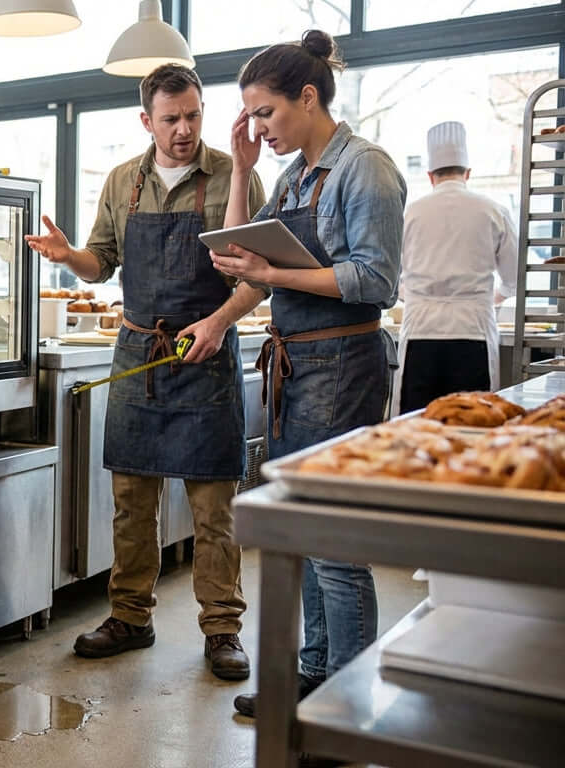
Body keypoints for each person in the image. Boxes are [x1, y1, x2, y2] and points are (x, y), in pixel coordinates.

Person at [26, 63, 268, 681]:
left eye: (192, 115)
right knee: (131, 504)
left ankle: (221, 630)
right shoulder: (121, 181)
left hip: (205, 355)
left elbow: (255, 280)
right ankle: (130, 616)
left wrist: (216, 324)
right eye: (170, 119)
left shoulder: (235, 177)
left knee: (215, 505)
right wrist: (66, 256)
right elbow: (99, 264)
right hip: (138, 356)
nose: (184, 130)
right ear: (146, 121)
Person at [212, 31, 406, 728]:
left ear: (308, 96)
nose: (258, 128)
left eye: (264, 114)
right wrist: (239, 171)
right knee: (303, 533)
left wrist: (274, 275)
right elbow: (234, 257)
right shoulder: (295, 177)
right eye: (250, 119)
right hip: (297, 367)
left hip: (343, 364)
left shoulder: (366, 169)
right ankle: (317, 672)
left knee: (334, 540)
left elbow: (375, 279)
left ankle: (348, 703)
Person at [394, 121, 517, 413]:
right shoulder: (494, 210)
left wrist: (416, 296)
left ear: (430, 176)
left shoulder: (410, 213)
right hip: (472, 328)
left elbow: (391, 279)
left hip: (420, 331)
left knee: (416, 426)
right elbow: (513, 280)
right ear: (468, 173)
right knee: (473, 422)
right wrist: (488, 299)